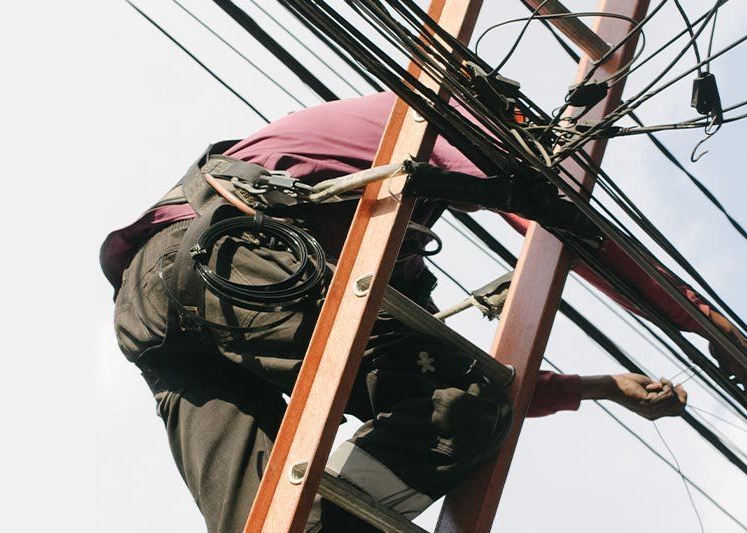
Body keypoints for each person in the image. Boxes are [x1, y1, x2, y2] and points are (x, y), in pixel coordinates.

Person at [101, 93, 704, 532]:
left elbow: (439, 364)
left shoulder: (389, 233)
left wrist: (596, 386)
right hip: (237, 252)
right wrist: (699, 323)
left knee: (260, 521)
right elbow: (553, 219)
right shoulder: (431, 113)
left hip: (153, 304)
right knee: (467, 402)